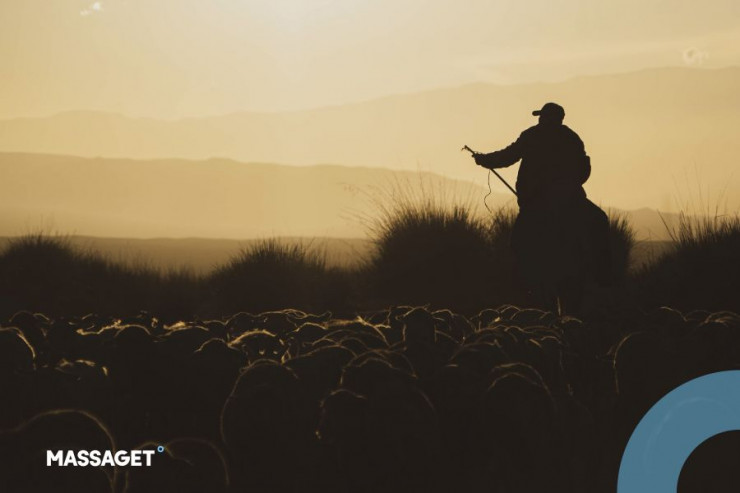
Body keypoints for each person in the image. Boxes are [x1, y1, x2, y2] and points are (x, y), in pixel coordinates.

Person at [471, 103, 610, 313]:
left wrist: (484, 160)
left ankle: (525, 290)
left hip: (536, 204)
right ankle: (604, 279)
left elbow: (508, 156)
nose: (540, 120)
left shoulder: (532, 136)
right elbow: (584, 170)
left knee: (518, 244)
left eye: (542, 117)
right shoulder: (572, 138)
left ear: (546, 118)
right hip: (571, 200)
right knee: (600, 221)